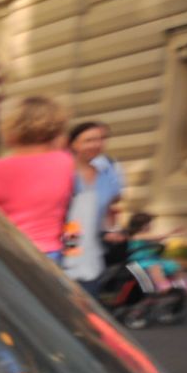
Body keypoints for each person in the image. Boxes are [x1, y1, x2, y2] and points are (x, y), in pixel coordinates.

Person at [0, 96, 74, 259]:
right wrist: (73, 251)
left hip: (7, 253)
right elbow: (78, 213)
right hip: (51, 253)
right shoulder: (67, 163)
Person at [62, 120, 126, 293]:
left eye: (101, 139)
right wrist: (72, 249)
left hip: (94, 248)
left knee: (89, 299)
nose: (97, 144)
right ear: (73, 144)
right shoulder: (62, 170)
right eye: (89, 140)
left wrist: (113, 230)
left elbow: (110, 207)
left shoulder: (108, 172)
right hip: (66, 245)